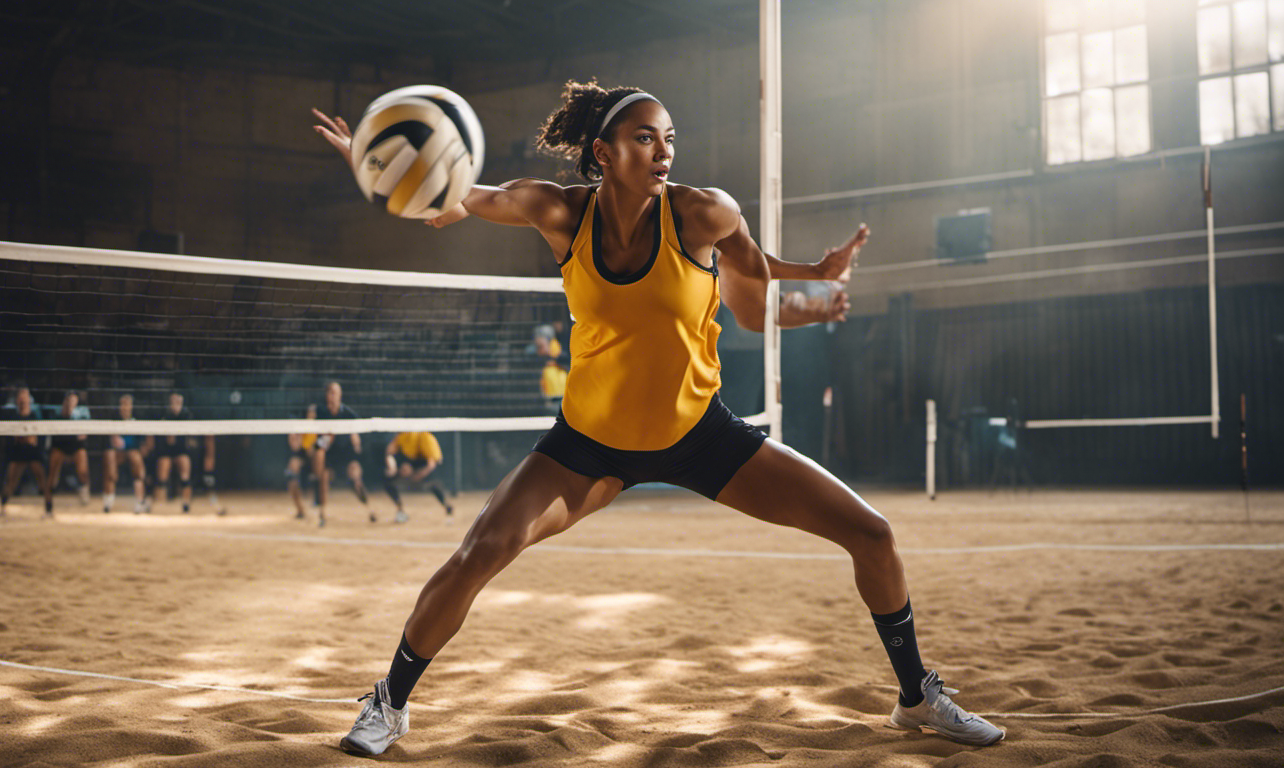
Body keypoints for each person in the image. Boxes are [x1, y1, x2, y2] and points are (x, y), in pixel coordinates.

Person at [312, 81, 999, 756]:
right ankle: (389, 702)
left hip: (700, 437)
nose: (663, 150)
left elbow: (751, 297)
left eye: (669, 138)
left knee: (872, 535)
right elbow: (457, 197)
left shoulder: (705, 214)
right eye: (645, 137)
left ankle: (917, 701)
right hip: (587, 447)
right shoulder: (557, 212)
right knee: (480, 553)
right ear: (602, 151)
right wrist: (380, 162)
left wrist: (814, 282)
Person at [312, 381, 376, 526]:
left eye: (335, 393)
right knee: (323, 474)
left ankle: (369, 508)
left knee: (356, 478)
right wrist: (327, 439)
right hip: (330, 454)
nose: (332, 396)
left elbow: (359, 442)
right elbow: (319, 441)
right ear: (326, 395)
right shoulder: (321, 413)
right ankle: (322, 514)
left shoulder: (349, 414)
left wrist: (356, 442)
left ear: (340, 395)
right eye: (330, 392)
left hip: (347, 454)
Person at [0, 386, 52, 518]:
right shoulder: (13, 417)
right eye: (20, 397)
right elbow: (13, 439)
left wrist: (30, 439)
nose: (22, 399)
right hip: (18, 452)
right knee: (11, 482)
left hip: (34, 452)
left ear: (29, 399)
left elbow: (37, 438)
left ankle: (49, 510)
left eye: (25, 396)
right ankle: (3, 507)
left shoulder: (36, 415)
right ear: (17, 400)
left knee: (43, 481)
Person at [383, 432, 453, 524]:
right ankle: (400, 510)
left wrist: (419, 475)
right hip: (411, 462)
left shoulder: (426, 438)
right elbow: (389, 452)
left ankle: (446, 506)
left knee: (433, 484)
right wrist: (392, 467)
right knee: (388, 482)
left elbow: (431, 464)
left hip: (427, 465)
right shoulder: (401, 436)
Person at [103, 394, 150, 514]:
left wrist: (141, 447)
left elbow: (143, 442)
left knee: (136, 459)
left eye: (127, 404)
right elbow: (112, 440)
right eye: (122, 404)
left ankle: (140, 502)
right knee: (110, 456)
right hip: (117, 452)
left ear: (132, 406)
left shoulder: (138, 418)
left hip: (133, 451)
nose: (124, 407)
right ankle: (108, 501)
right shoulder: (113, 418)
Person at [46, 390, 91, 509]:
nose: (71, 401)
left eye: (73, 398)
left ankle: (84, 491)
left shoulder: (82, 411)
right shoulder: (57, 411)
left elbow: (83, 434)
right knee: (52, 476)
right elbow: (54, 431)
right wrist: (67, 411)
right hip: (60, 444)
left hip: (76, 445)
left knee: (83, 472)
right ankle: (48, 504)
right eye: (68, 399)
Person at [154, 392, 195, 513]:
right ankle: (159, 505)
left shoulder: (187, 415)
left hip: (181, 450)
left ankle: (186, 504)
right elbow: (165, 440)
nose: (176, 405)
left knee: (185, 465)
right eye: (173, 402)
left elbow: (191, 439)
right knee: (163, 467)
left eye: (178, 402)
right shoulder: (164, 415)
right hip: (165, 451)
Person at [286, 404, 320, 520]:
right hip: (303, 456)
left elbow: (327, 442)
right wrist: (296, 437)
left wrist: (315, 448)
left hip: (317, 456)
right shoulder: (301, 427)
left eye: (314, 411)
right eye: (310, 411)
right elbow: (295, 447)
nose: (312, 414)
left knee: (318, 459)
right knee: (292, 468)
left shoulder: (322, 425)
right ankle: (300, 509)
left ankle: (317, 499)